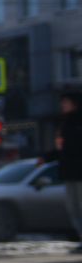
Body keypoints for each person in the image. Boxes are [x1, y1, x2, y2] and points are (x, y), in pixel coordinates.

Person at [44, 91, 82, 250]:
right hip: (70, 172)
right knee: (73, 208)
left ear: (74, 104)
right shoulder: (65, 122)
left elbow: (70, 147)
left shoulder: (77, 122)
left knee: (79, 207)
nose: (62, 105)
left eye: (65, 102)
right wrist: (47, 158)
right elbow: (63, 149)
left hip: (79, 172)